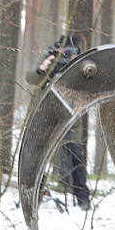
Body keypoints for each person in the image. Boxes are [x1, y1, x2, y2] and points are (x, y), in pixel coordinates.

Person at [26, 33, 91, 210]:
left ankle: (83, 198)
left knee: (76, 156)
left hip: (69, 115)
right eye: (64, 51)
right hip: (45, 113)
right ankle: (34, 194)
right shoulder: (50, 56)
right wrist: (43, 67)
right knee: (39, 156)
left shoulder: (82, 62)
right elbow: (31, 78)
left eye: (71, 51)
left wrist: (77, 64)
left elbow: (88, 86)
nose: (66, 55)